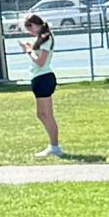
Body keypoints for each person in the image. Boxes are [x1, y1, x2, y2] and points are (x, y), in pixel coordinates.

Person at [20, 11, 64, 157]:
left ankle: (55, 146)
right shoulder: (41, 38)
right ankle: (53, 145)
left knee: (47, 114)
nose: (29, 30)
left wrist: (28, 51)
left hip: (44, 77)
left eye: (29, 27)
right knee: (41, 114)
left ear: (35, 25)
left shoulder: (46, 38)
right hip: (38, 78)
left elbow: (40, 62)